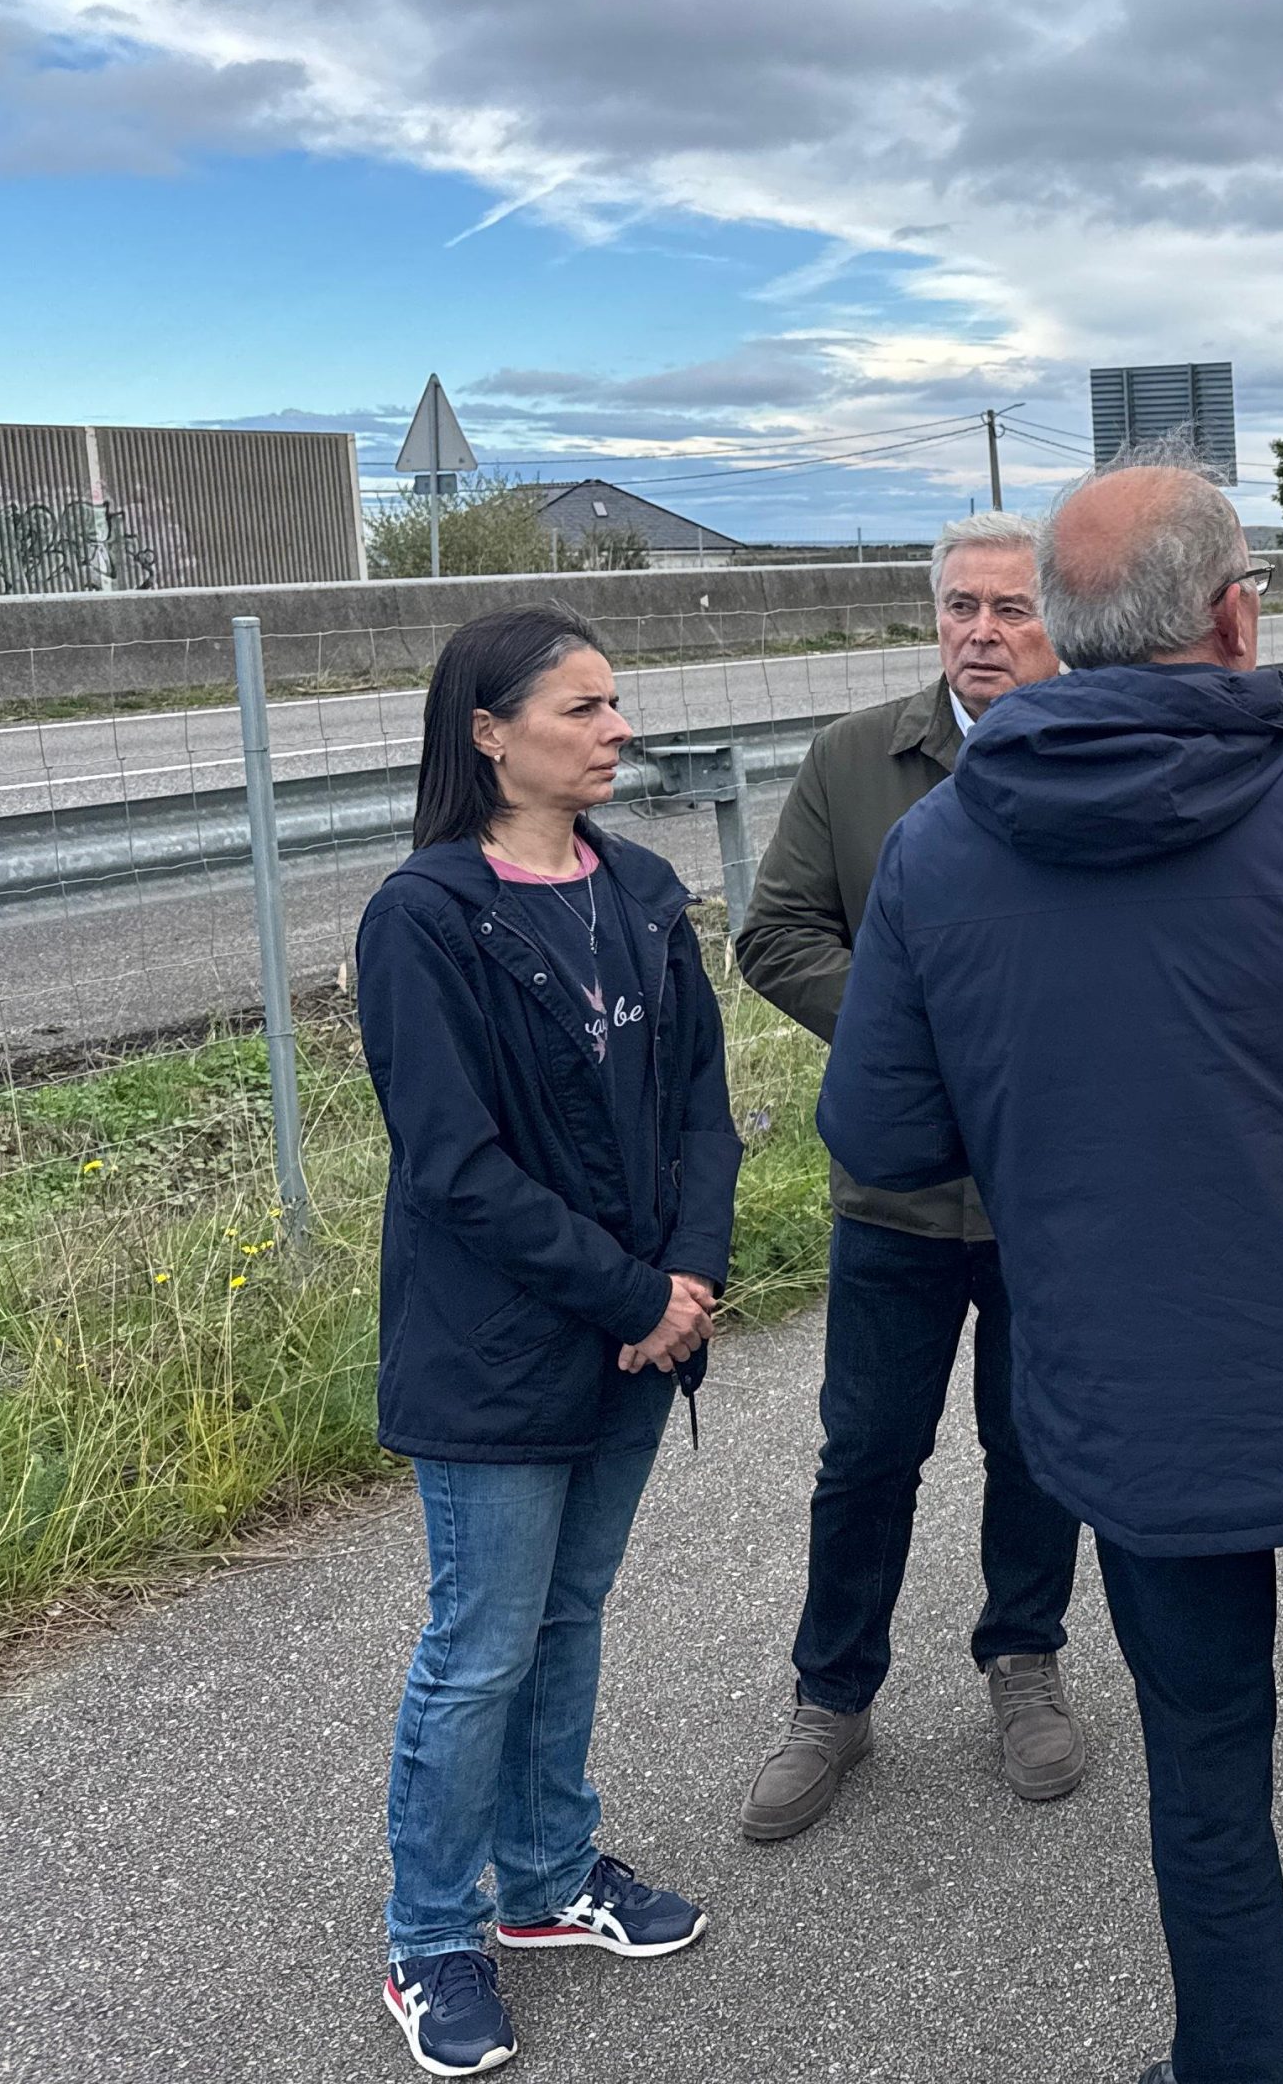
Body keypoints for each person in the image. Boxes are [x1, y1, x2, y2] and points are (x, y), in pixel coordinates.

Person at [817, 455, 1283, 2084]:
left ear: (1068, 637)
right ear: (1235, 615)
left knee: (1206, 1762)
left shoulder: (948, 849)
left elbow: (877, 1126)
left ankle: (1243, 2060)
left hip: (1132, 1407)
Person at [356, 605, 741, 2078]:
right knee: (480, 1646)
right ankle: (430, 1936)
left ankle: (547, 1880)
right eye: (582, 708)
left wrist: (691, 1273)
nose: (616, 728)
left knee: (568, 1619)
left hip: (640, 1333)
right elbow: (454, 1165)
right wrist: (633, 1295)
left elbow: (700, 1103)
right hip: (504, 1353)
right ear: (488, 734)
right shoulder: (426, 917)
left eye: (615, 702)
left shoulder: (640, 890)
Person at [730, 512, 1087, 1843]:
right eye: (958, 608)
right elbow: (774, 935)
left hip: (1046, 1193)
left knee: (1035, 1441)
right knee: (868, 1447)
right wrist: (917, 1039)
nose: (981, 632)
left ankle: (1023, 1659)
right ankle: (833, 1695)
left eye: (1010, 609)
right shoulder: (854, 758)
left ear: (1058, 622)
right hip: (891, 1189)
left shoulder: (1100, 753)